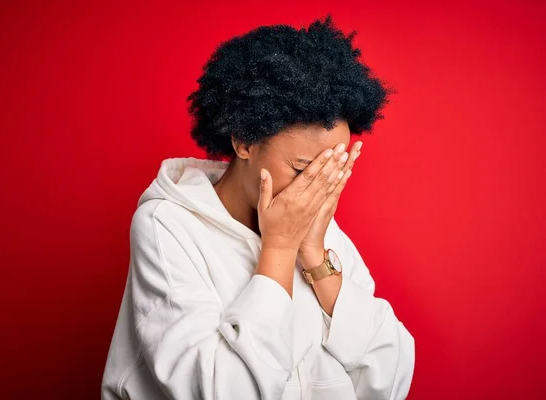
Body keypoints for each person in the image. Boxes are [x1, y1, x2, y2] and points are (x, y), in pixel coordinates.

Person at [102, 14, 415, 400]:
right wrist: (279, 250)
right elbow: (226, 392)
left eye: (331, 168)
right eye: (302, 168)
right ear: (244, 143)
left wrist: (314, 257)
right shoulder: (166, 225)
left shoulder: (323, 235)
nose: (317, 188)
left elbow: (391, 378)